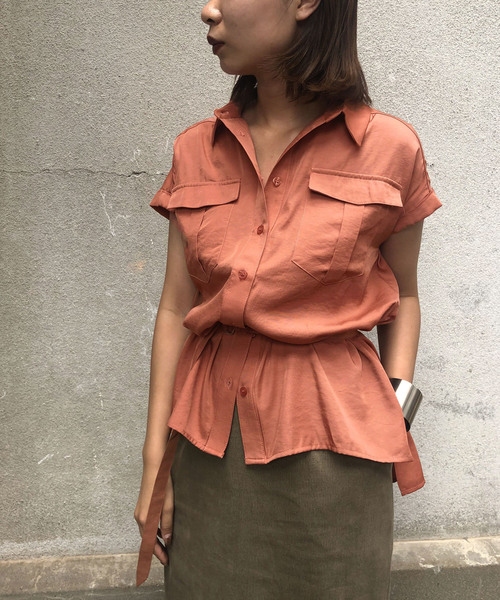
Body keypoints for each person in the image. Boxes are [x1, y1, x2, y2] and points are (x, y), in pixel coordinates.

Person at [134, 0, 442, 598]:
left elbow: (404, 295)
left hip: (338, 449)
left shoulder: (390, 148)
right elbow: (174, 309)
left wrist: (396, 407)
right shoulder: (195, 150)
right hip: (208, 442)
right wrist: (153, 465)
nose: (207, 11)